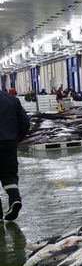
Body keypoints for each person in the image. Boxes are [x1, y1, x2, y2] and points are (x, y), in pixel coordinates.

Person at [0, 87, 30, 220]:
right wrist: (15, 138)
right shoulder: (12, 100)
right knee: (9, 174)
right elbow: (25, 122)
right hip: (9, 142)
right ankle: (14, 198)